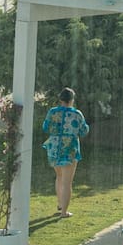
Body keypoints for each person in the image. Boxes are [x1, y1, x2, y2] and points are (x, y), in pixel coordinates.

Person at [41, 87, 89, 218]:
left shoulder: (52, 112)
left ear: (60, 99)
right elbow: (84, 131)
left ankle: (60, 204)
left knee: (59, 176)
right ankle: (63, 212)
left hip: (54, 148)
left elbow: (45, 127)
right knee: (67, 182)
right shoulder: (77, 114)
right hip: (70, 149)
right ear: (72, 100)